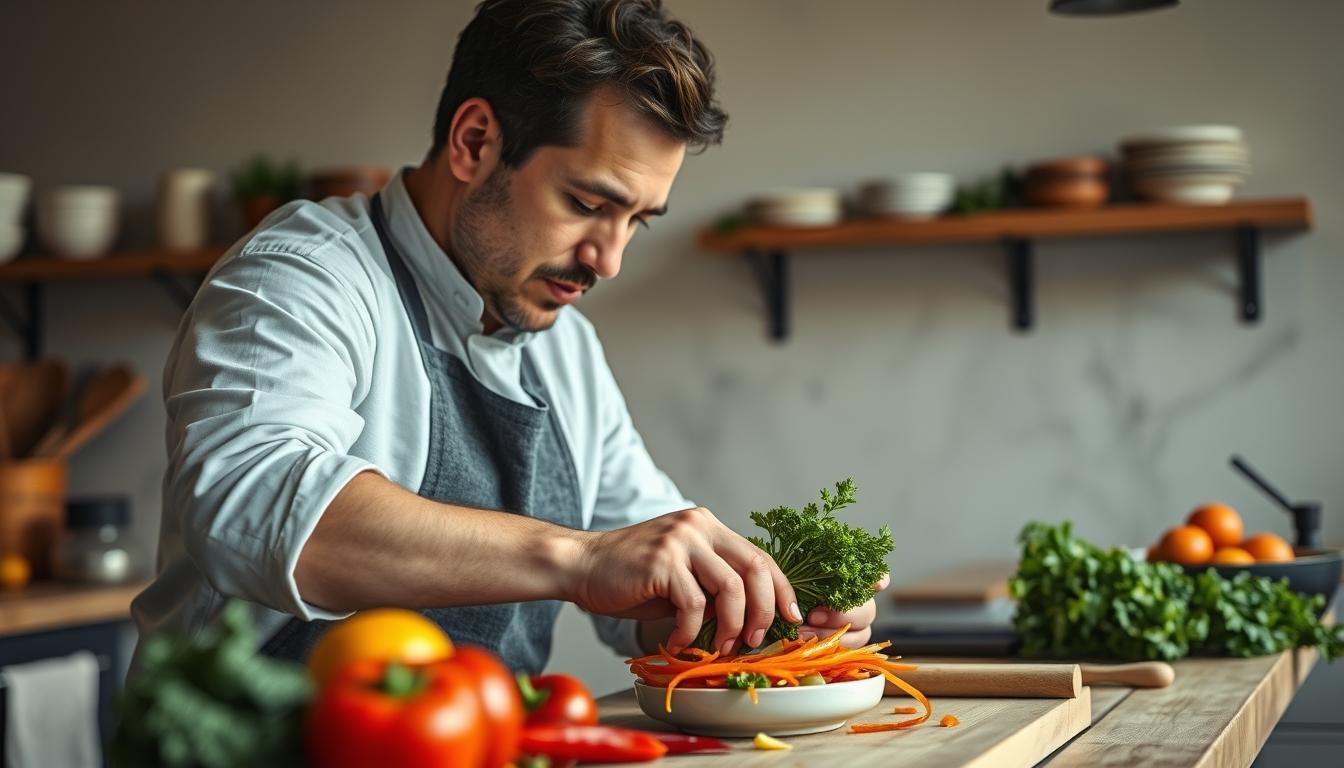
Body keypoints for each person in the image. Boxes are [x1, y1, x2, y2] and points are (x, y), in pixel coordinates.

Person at [132, 0, 883, 675]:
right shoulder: (304, 273)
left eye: (636, 221)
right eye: (587, 202)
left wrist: (768, 612)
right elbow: (248, 502)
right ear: (474, 141)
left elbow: (650, 591)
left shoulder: (566, 350)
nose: (609, 260)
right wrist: (578, 559)